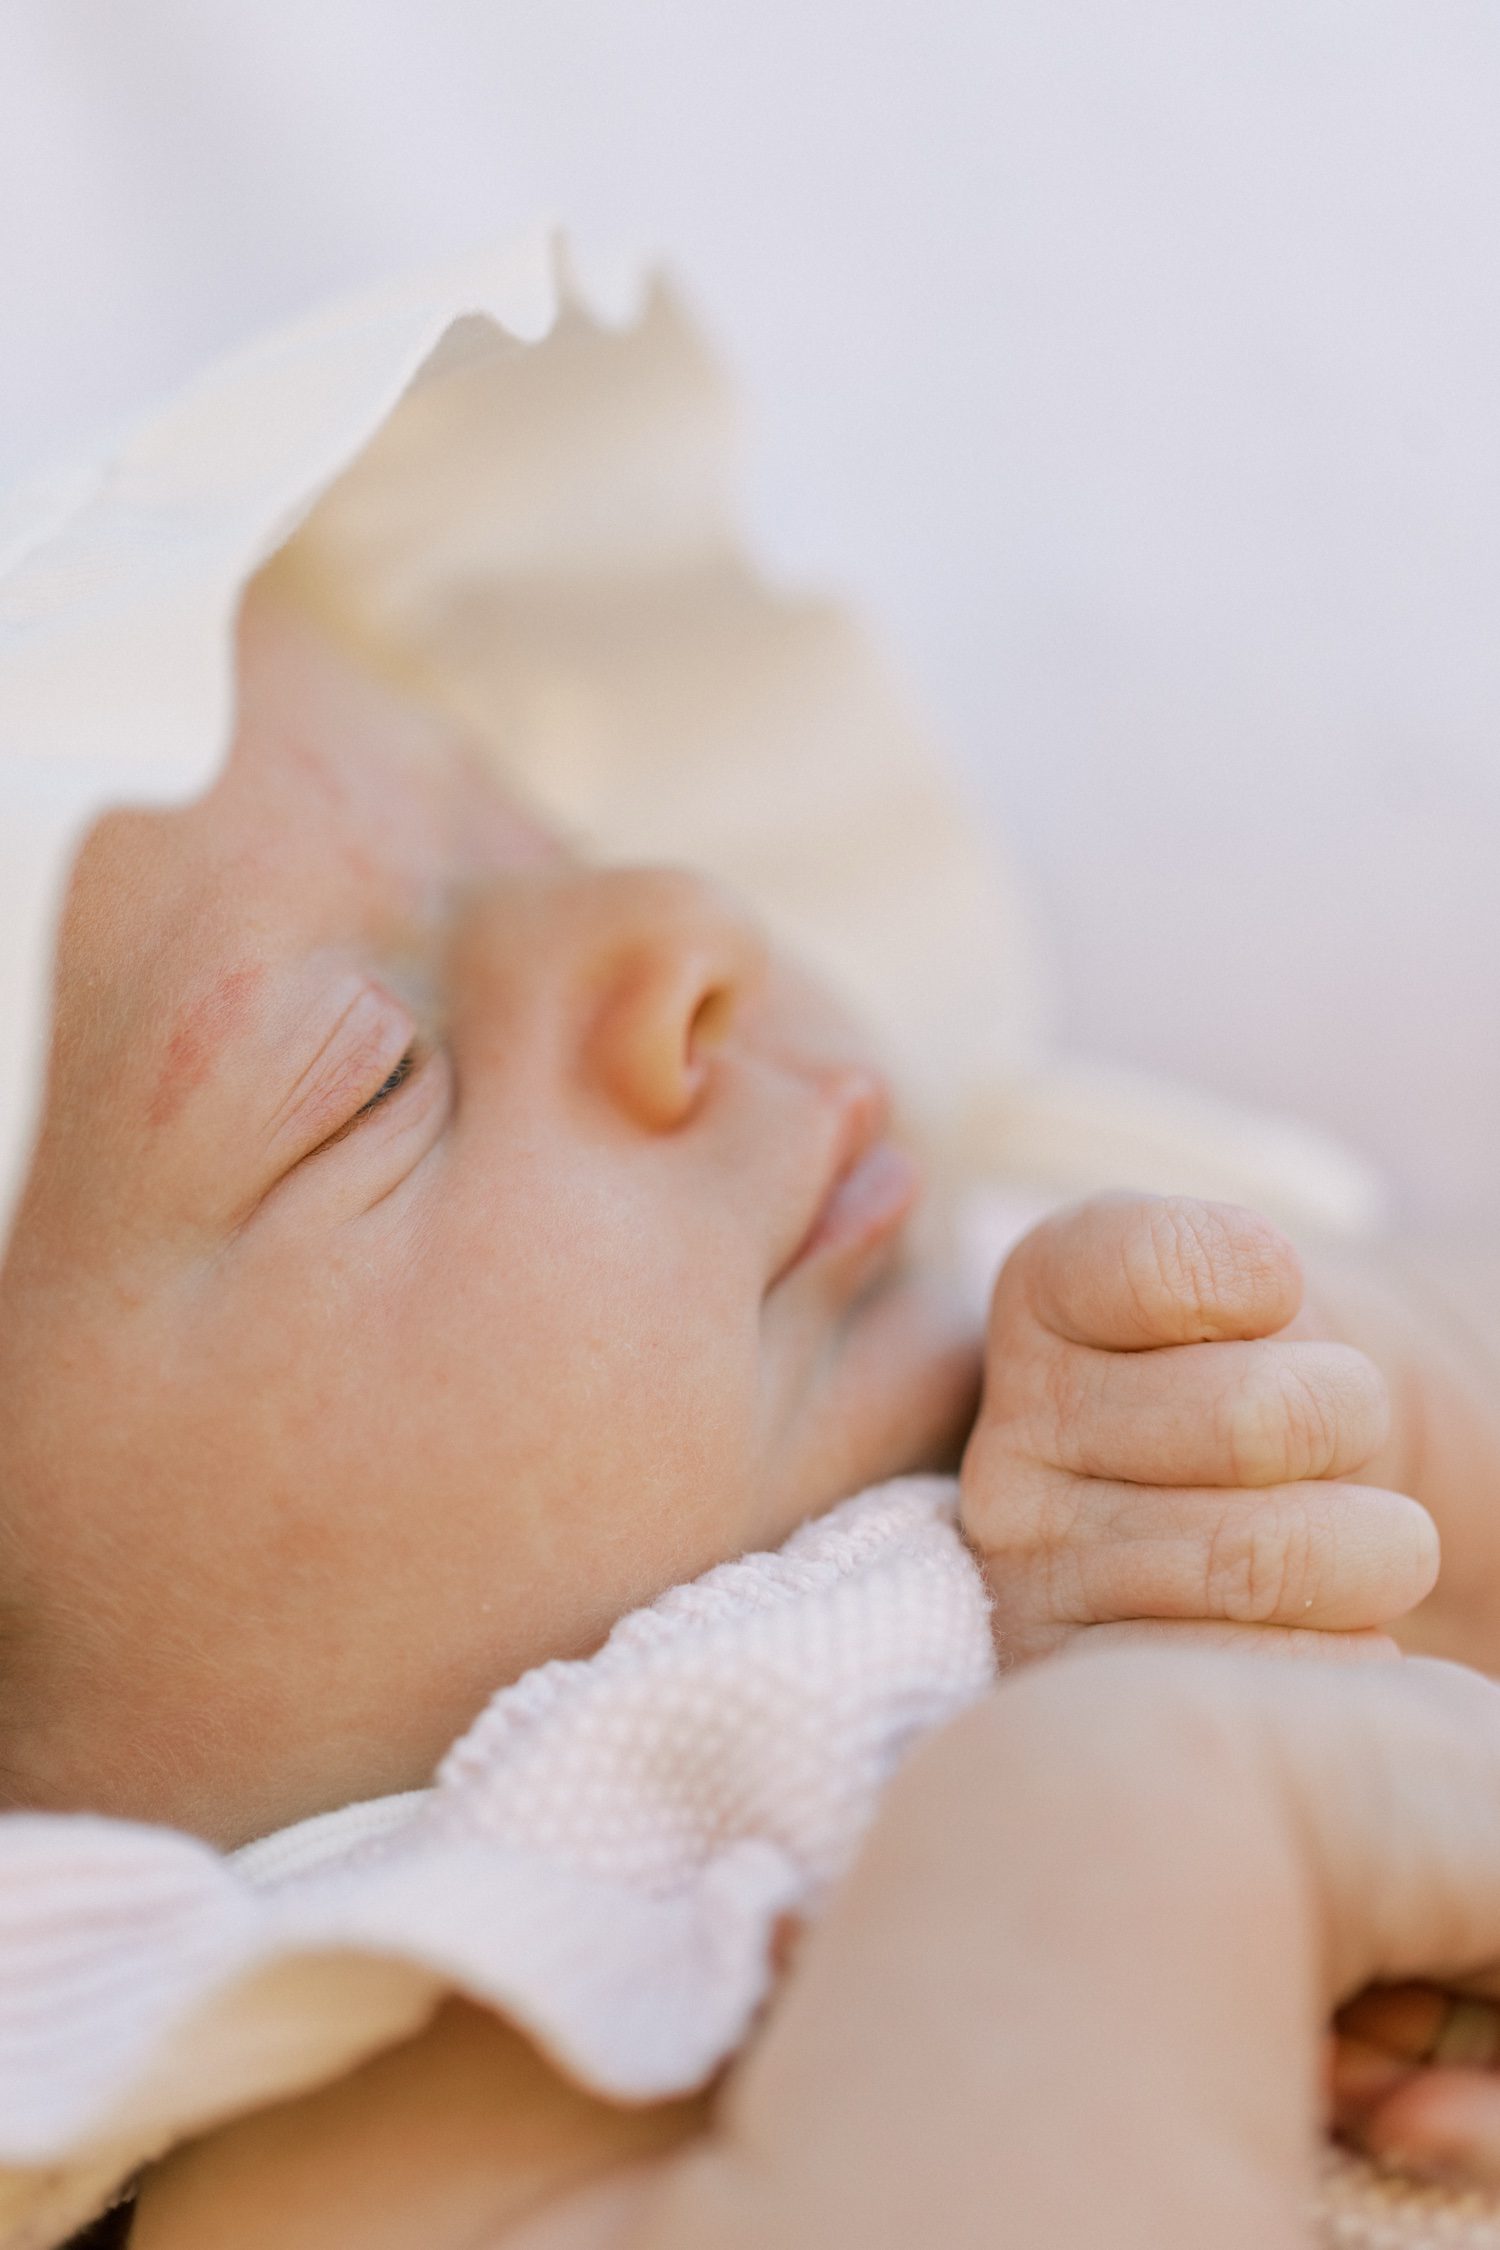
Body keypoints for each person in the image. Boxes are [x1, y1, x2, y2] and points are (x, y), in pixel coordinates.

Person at [5, 585, 1500, 2246]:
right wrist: (1156, 1793)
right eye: (376, 1079)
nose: (679, 920)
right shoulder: (352, 2069)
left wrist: (1391, 1408)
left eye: (550, 839)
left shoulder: (1040, 1282)